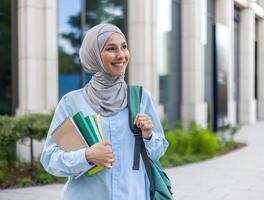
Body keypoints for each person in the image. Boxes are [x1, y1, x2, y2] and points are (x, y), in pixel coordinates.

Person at [40, 24, 168, 200]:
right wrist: (87, 156)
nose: (121, 55)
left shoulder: (140, 98)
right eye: (111, 48)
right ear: (94, 56)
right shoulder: (72, 102)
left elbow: (156, 152)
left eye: (124, 47)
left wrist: (148, 136)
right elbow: (49, 159)